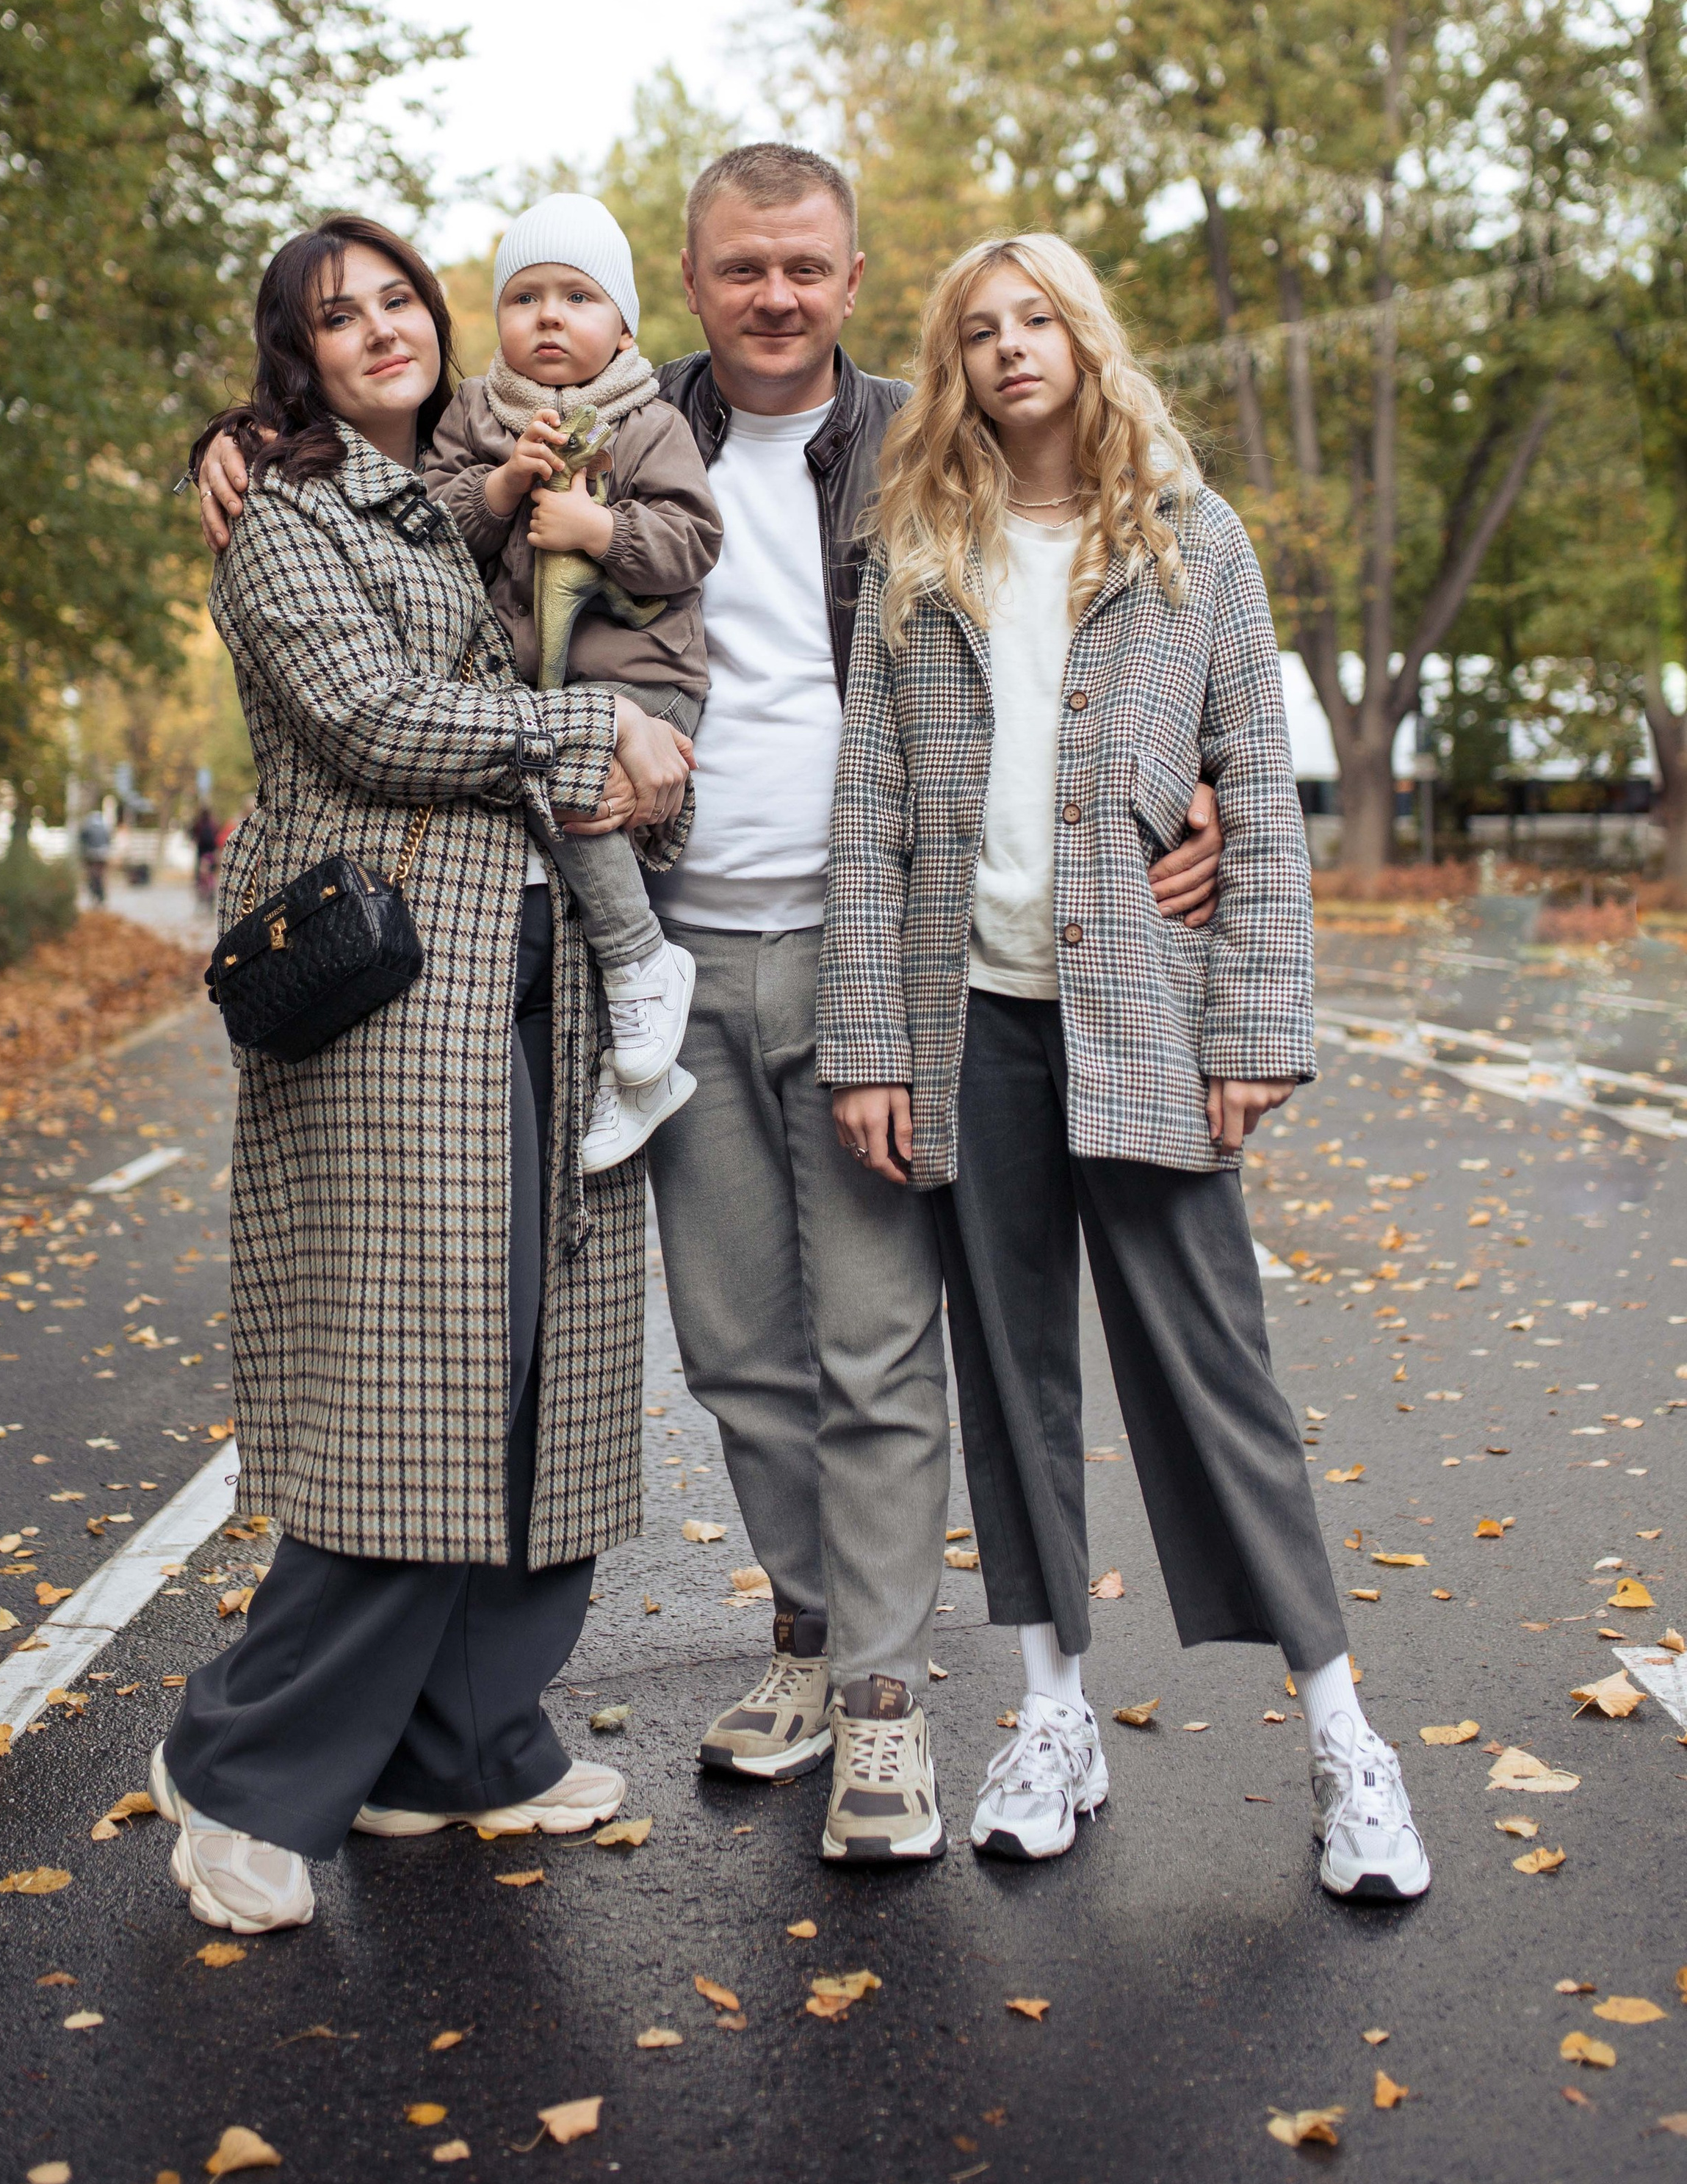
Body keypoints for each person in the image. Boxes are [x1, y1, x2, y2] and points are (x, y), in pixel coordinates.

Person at [194, 150, 1223, 1870]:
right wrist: (236, 440)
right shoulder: (592, 402)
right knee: (738, 1356)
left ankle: (887, 1707)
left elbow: (1105, 540)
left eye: (805, 267)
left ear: (849, 271)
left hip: (868, 951)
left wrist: (1186, 772)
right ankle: (810, 1651)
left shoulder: (920, 434)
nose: (773, 295)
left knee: (873, 1343)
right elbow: (395, 467)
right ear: (684, 278)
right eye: (739, 267)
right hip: (647, 955)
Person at [819, 231, 1430, 1903]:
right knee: (1010, 1385)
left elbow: (1257, 795)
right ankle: (1050, 1716)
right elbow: (866, 817)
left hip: (1140, 1025)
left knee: (1211, 1378)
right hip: (970, 1030)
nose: (1010, 346)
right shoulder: (913, 550)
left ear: (1082, 340)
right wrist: (869, 1046)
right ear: (950, 362)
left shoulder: (1189, 542)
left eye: (1035, 319)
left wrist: (1250, 1037)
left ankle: (1340, 1742)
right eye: (976, 328)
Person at [154, 214, 692, 1935]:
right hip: (394, 996)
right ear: (292, 357)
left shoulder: (479, 477)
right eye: (337, 317)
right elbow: (370, 716)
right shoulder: (289, 517)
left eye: (399, 300)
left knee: (544, 1368)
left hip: (538, 981)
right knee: (420, 1384)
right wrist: (591, 733)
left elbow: (643, 517)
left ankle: (460, 1745)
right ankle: (238, 1767)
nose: (380, 330)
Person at [424, 192, 720, 1170]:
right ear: (497, 323)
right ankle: (639, 1072)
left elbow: (693, 540)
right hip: (535, 696)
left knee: (584, 802)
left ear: (624, 326)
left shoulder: (646, 421)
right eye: (526, 298)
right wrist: (505, 486)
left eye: (578, 297)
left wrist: (601, 532)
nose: (550, 317)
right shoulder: (474, 417)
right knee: (561, 868)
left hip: (644, 680)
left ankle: (646, 965)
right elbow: (428, 539)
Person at [77, 804, 112, 906]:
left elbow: (82, 840)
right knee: (101, 875)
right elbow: (108, 840)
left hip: (90, 855)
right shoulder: (104, 826)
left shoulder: (87, 825)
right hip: (103, 854)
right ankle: (101, 895)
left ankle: (94, 894)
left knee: (92, 875)